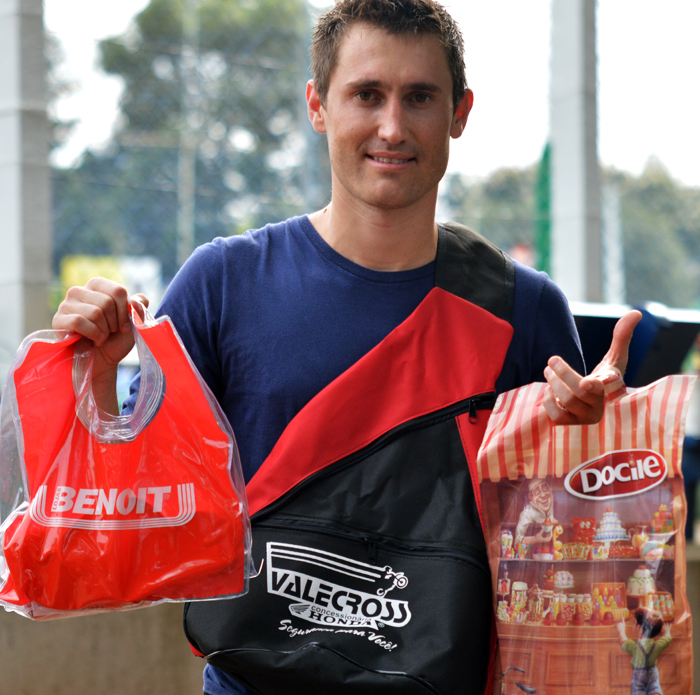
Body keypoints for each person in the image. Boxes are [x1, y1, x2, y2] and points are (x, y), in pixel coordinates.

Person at [53, 1, 641, 693]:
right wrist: (91, 374)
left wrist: (602, 454)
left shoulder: (522, 308)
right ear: (317, 106)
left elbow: (563, 570)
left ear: (460, 113)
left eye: (420, 97)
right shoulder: (221, 284)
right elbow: (119, 517)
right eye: (367, 94)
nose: (393, 126)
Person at [616, 609, 672, 695]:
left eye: (634, 623)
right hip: (652, 672)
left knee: (638, 690)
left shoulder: (635, 647)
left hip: (639, 675)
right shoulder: (657, 646)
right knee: (654, 686)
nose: (633, 625)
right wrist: (667, 632)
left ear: (639, 628)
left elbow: (623, 641)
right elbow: (667, 639)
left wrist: (621, 631)